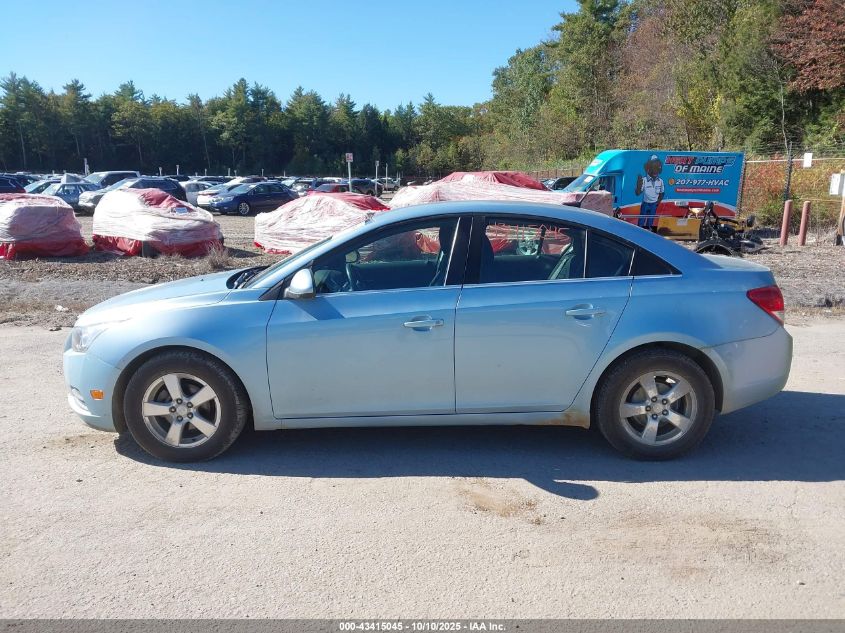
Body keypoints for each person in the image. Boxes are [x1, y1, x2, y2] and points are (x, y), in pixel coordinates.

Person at [635, 155, 665, 230]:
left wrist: (657, 202)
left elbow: (662, 193)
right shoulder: (644, 180)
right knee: (641, 222)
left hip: (654, 204)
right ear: (648, 169)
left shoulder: (660, 181)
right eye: (653, 169)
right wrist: (639, 185)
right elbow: (638, 193)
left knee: (650, 222)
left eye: (657, 169)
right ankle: (639, 232)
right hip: (645, 204)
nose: (655, 172)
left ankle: (649, 234)